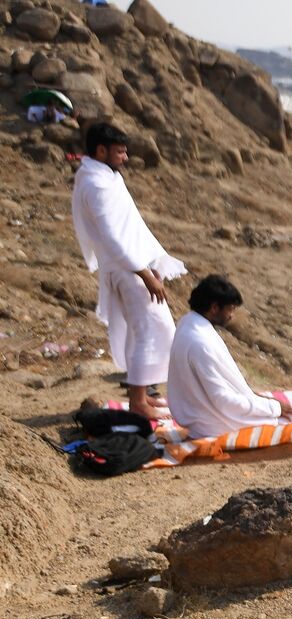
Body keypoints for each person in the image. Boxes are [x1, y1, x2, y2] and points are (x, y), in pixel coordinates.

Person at [72, 122, 187, 420]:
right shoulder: (96, 185)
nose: (125, 157)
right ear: (101, 150)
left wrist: (152, 264)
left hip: (134, 267)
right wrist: (144, 274)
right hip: (127, 270)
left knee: (150, 329)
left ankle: (143, 396)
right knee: (151, 329)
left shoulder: (107, 177)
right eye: (120, 152)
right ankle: (138, 402)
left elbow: (131, 227)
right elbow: (112, 237)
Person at [167, 275, 292, 439]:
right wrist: (273, 407)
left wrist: (258, 400)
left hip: (202, 419)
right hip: (214, 426)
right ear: (214, 308)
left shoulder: (187, 323)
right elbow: (223, 401)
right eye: (230, 309)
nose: (231, 315)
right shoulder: (201, 342)